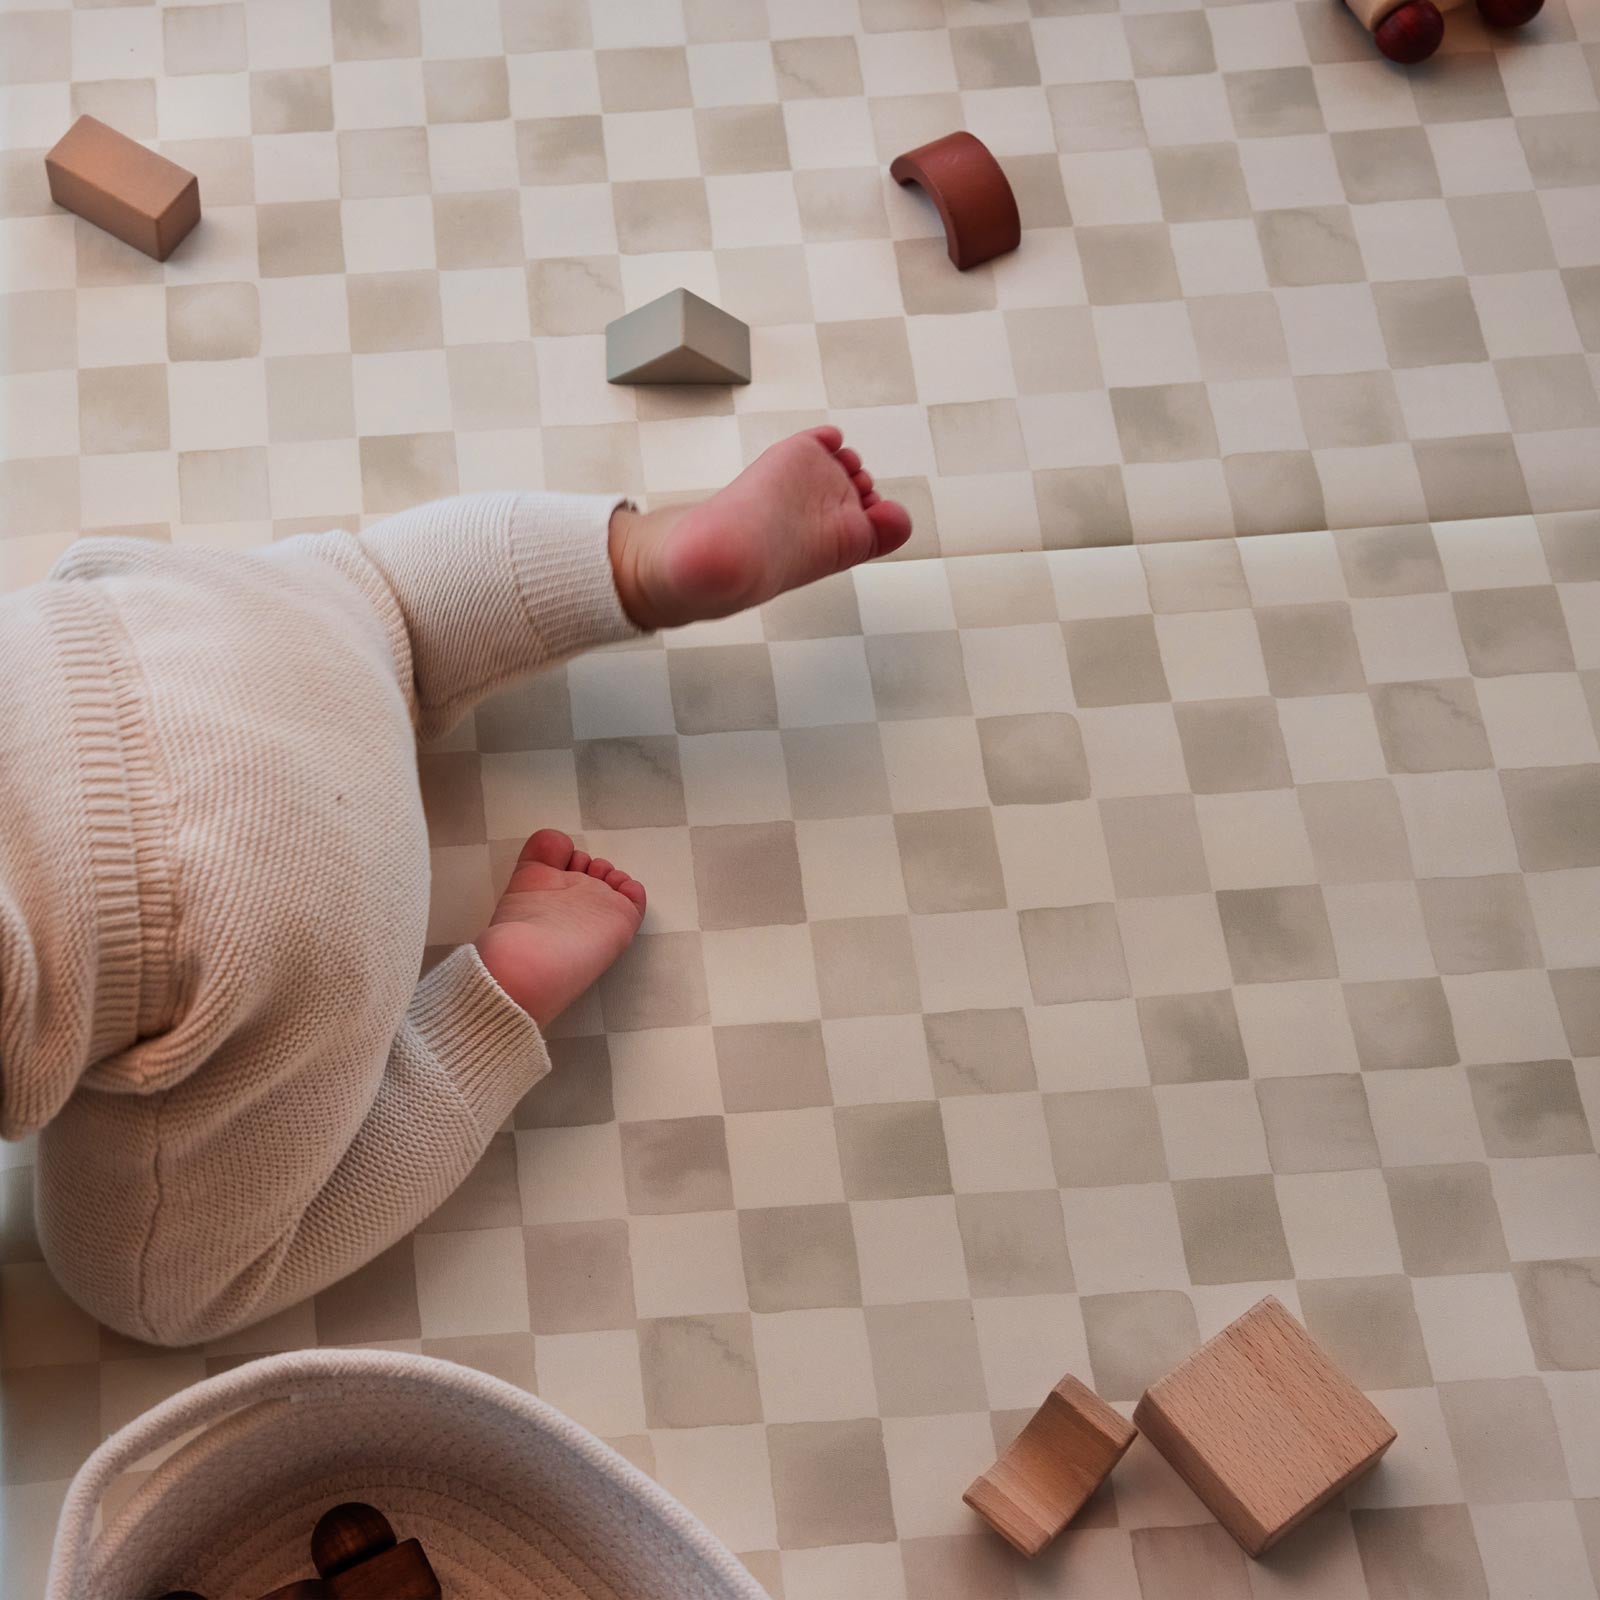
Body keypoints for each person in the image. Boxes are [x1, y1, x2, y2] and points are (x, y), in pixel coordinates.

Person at [0, 426, 910, 1346]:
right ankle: (639, 558)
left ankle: (496, 997)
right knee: (385, 594)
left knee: (155, 1291)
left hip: (243, 907)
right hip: (151, 624)